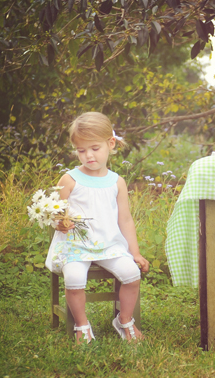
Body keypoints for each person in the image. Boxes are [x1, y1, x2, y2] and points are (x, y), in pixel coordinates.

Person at [45, 112, 149, 344]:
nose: (88, 155)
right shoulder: (70, 179)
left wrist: (135, 252)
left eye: (94, 148)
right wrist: (60, 223)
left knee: (131, 275)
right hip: (75, 245)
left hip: (108, 244)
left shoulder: (116, 181)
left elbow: (125, 220)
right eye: (81, 150)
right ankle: (82, 324)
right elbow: (56, 213)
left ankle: (124, 321)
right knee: (73, 278)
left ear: (110, 144)